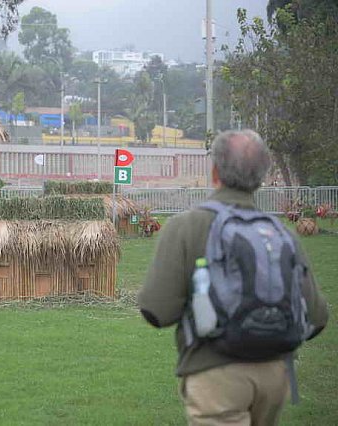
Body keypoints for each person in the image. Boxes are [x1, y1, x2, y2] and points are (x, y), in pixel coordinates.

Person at [137, 129, 328, 426]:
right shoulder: (280, 233)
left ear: (215, 172)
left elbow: (157, 311)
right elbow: (317, 317)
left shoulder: (187, 226)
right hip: (275, 373)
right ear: (262, 177)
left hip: (216, 372)